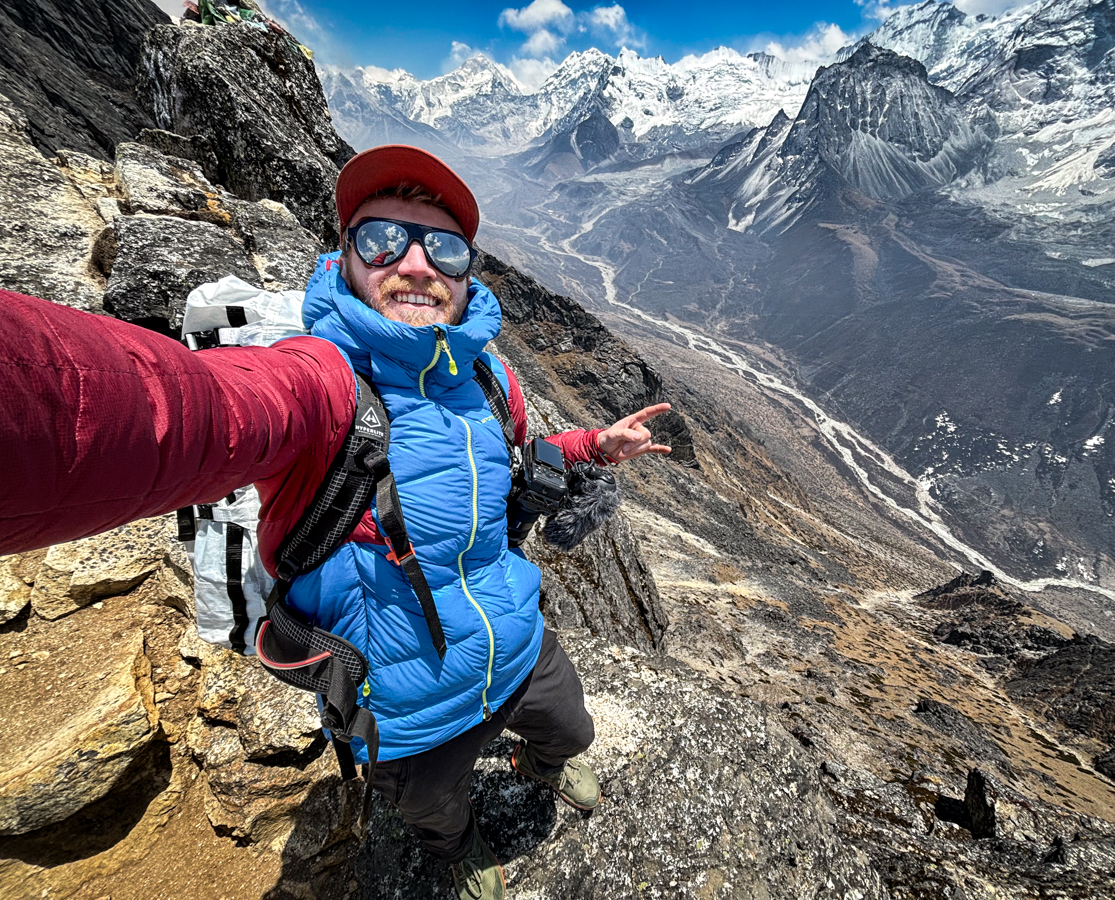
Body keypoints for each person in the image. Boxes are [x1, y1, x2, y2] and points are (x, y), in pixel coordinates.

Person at [0, 145, 670, 900]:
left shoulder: (486, 374)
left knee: (570, 727)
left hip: (516, 645)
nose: (416, 264)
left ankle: (544, 761)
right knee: (431, 810)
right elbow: (172, 406)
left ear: (467, 271)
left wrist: (591, 447)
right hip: (407, 709)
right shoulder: (319, 385)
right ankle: (457, 849)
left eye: (442, 247)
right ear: (343, 256)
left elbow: (521, 455)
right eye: (383, 238)